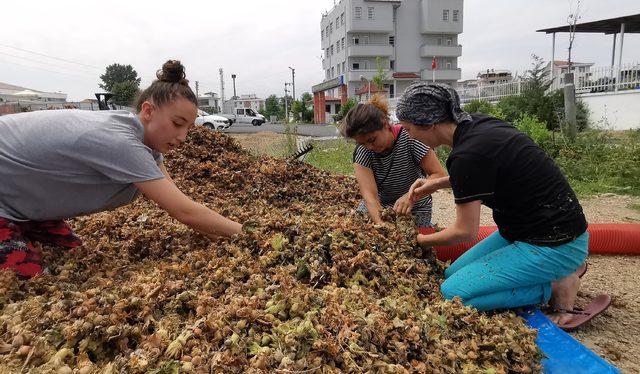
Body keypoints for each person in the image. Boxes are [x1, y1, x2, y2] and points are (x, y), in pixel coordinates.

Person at [0, 60, 242, 278]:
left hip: (20, 199)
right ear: (148, 111)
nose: (182, 137)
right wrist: (251, 235)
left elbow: (178, 200)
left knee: (70, 251)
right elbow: (184, 212)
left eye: (188, 128)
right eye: (177, 124)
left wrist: (218, 232)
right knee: (31, 277)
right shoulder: (122, 142)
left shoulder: (143, 142)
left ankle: (25, 222)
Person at [396, 82, 608, 330]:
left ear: (428, 124)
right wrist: (436, 184)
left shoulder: (466, 156)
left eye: (409, 128)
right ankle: (553, 272)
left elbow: (465, 232)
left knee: (453, 294)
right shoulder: (476, 125)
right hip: (526, 231)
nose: (409, 135)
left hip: (555, 243)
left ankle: (554, 284)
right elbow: (487, 171)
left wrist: (419, 240)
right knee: (449, 276)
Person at [342, 94, 447, 228]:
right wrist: (381, 223)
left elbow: (439, 175)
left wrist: (410, 197)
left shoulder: (410, 137)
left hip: (414, 204)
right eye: (362, 143)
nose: (369, 147)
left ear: (385, 124)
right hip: (381, 205)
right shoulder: (362, 151)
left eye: (372, 140)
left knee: (416, 242)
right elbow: (369, 195)